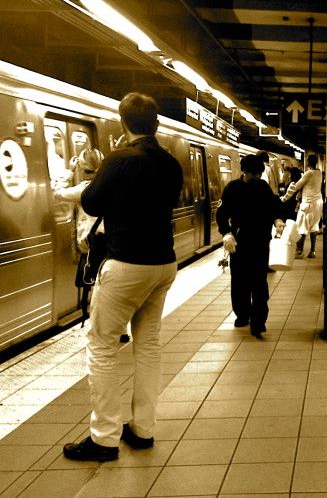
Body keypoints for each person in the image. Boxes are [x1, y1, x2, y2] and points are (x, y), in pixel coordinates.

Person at [63, 92, 183, 462]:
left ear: (123, 123)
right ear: (156, 123)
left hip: (126, 264)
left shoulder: (119, 159)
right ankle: (142, 429)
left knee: (101, 345)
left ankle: (104, 437)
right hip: (164, 264)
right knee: (147, 346)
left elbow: (92, 203)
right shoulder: (170, 163)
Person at [216, 154, 285, 338]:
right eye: (252, 175)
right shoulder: (232, 188)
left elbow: (274, 207)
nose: (255, 178)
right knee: (240, 281)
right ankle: (242, 315)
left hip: (260, 242)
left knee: (258, 282)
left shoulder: (262, 187)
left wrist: (278, 220)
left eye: (257, 175)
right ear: (244, 172)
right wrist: (226, 233)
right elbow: (222, 213)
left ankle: (258, 321)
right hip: (238, 243)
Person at [53, 148, 105, 320]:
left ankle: (100, 323)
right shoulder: (108, 185)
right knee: (108, 287)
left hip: (91, 245)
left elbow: (57, 192)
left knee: (98, 289)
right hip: (110, 243)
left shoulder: (83, 190)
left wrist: (68, 172)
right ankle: (120, 329)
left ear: (82, 169)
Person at [281, 154, 323, 258]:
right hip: (318, 202)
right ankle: (312, 251)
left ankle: (299, 251)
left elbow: (297, 185)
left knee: (302, 227)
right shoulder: (319, 173)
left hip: (308, 203)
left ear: (308, 162)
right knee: (314, 227)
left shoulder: (309, 173)